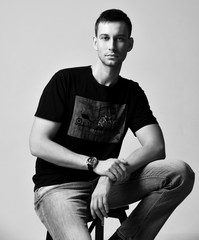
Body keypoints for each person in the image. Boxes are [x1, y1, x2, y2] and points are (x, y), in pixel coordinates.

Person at [29, 9, 194, 240]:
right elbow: (38, 144)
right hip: (58, 189)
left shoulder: (131, 92)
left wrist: (108, 176)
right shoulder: (65, 81)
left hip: (106, 186)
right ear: (95, 42)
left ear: (130, 44)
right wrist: (94, 164)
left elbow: (156, 146)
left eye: (120, 38)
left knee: (179, 173)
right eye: (105, 38)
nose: (112, 45)